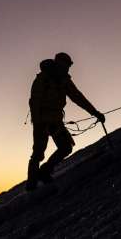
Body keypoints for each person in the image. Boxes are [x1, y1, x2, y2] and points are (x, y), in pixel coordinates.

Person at [26, 52, 105, 191]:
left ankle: (43, 172)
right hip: (43, 122)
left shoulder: (63, 80)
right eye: (67, 65)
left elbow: (77, 97)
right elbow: (34, 102)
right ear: (59, 63)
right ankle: (31, 185)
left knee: (65, 147)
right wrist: (38, 122)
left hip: (54, 121)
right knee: (39, 152)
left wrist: (95, 112)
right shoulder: (44, 79)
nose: (68, 68)